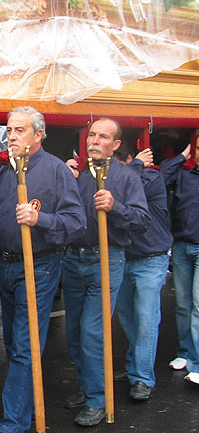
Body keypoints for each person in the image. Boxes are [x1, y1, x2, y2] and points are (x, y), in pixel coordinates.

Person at [0, 107, 86, 433]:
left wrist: (40, 219)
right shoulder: (0, 166)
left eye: (19, 130)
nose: (12, 136)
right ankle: (26, 411)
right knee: (14, 346)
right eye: (9, 129)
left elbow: (76, 223)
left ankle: (13, 425)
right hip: (4, 265)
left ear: (38, 135)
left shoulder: (57, 171)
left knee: (24, 348)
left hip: (40, 267)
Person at [63, 118, 150, 427]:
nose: (95, 141)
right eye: (92, 135)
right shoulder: (75, 173)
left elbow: (141, 221)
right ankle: (89, 388)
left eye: (103, 137)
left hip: (107, 258)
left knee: (92, 332)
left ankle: (98, 399)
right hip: (73, 259)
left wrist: (115, 206)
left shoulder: (126, 178)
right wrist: (66, 177)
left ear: (115, 145)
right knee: (73, 332)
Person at [113, 145, 172, 400]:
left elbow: (124, 189)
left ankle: (143, 378)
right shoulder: (128, 174)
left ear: (130, 160)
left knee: (146, 322)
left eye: (120, 164)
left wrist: (135, 165)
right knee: (129, 319)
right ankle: (134, 367)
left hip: (152, 259)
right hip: (125, 258)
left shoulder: (151, 177)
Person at [160, 137, 199, 384]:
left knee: (198, 306)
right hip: (183, 245)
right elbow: (161, 177)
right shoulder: (185, 174)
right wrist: (182, 157)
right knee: (183, 305)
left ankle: (197, 362)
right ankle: (185, 352)